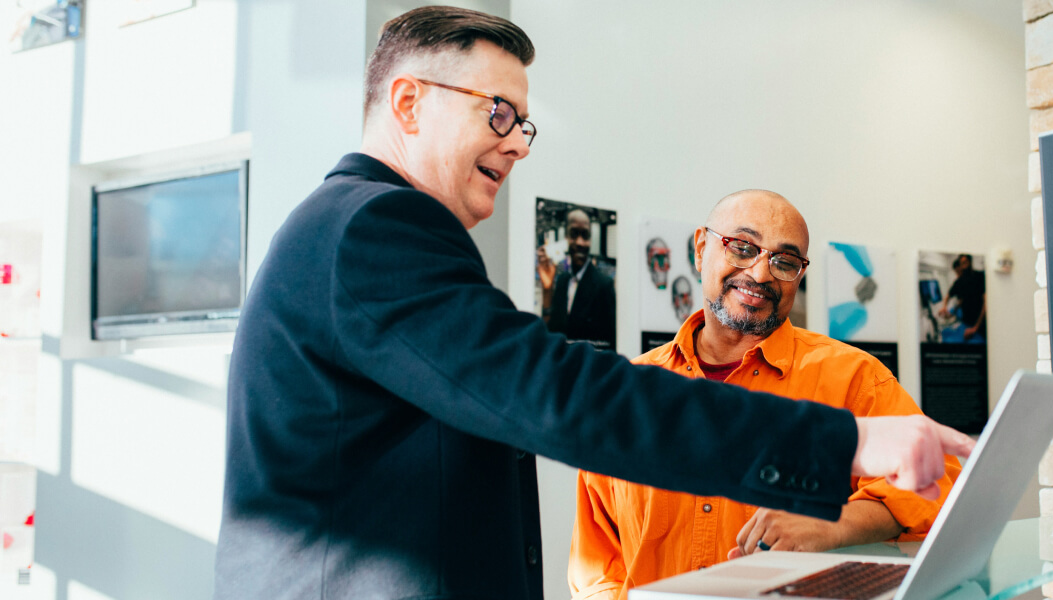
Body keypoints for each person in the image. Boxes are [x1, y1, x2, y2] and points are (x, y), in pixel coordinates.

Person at [214, 7, 973, 600]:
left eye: (524, 123)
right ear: (408, 103)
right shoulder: (375, 227)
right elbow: (555, 393)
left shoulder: (351, 228)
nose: (518, 143)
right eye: (498, 112)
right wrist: (842, 444)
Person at [568, 191, 963, 600]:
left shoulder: (854, 379)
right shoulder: (627, 393)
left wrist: (833, 522)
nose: (760, 274)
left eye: (785, 261)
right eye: (742, 248)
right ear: (701, 249)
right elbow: (597, 567)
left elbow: (937, 491)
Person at [539, 208, 616, 349]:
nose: (580, 242)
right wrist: (547, 290)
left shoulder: (604, 285)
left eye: (585, 236)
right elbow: (551, 332)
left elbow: (610, 344)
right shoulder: (562, 281)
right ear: (566, 237)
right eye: (574, 234)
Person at [938, 254, 986, 342]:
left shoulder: (980, 276)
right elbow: (950, 296)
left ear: (970, 262)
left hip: (980, 324)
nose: (963, 266)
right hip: (966, 323)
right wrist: (944, 307)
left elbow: (986, 303)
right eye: (962, 264)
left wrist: (976, 327)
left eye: (965, 263)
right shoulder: (959, 282)